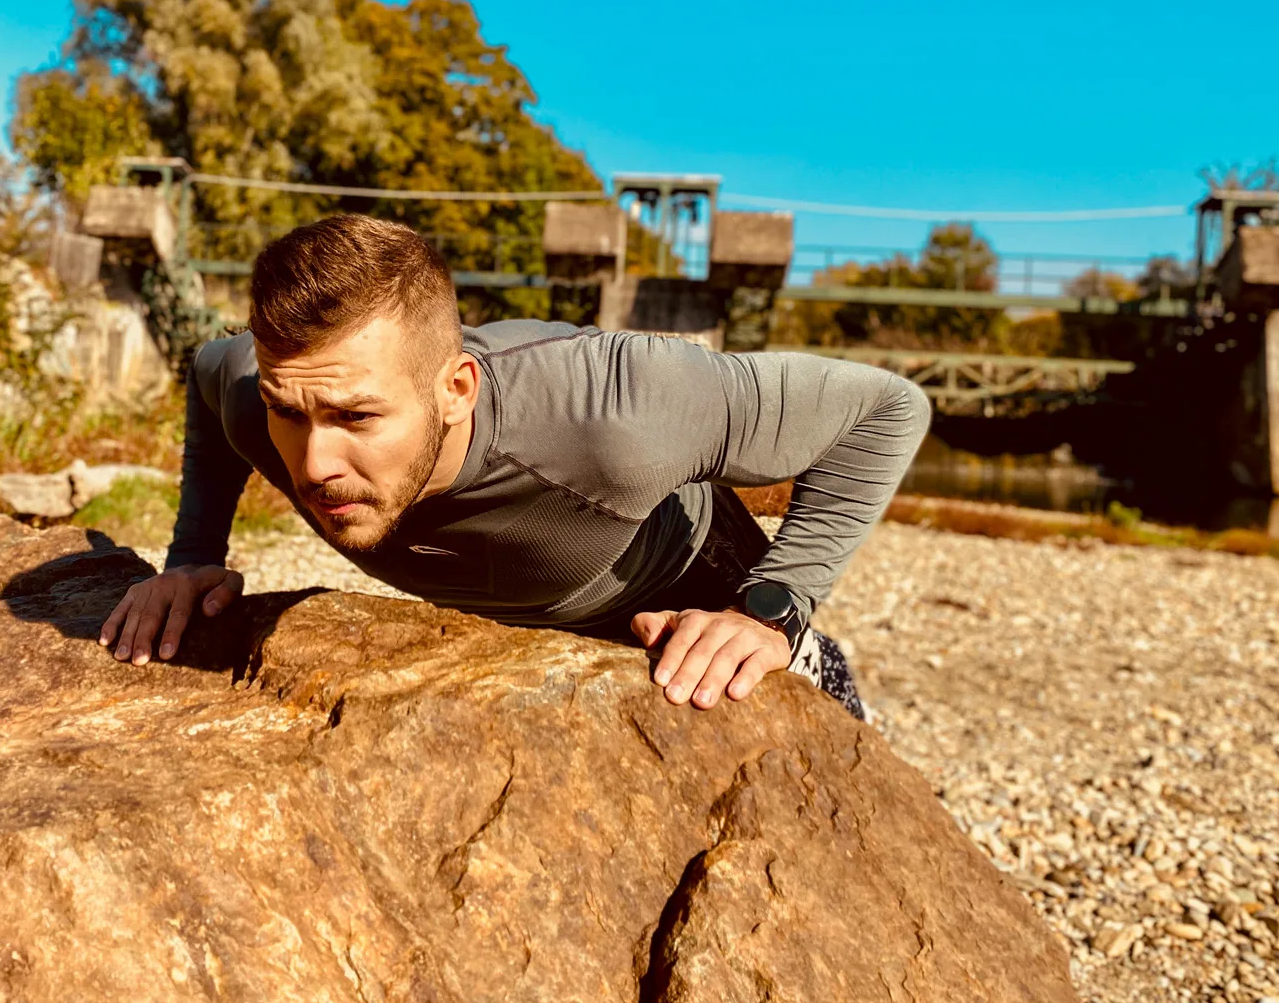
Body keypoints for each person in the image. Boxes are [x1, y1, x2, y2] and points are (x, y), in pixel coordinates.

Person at [100, 214, 930, 719]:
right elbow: (212, 385)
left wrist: (772, 611)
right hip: (506, 614)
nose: (315, 465)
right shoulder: (262, 391)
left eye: (358, 418)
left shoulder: (620, 406)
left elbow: (885, 409)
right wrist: (194, 558)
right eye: (290, 413)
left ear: (457, 390)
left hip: (682, 588)